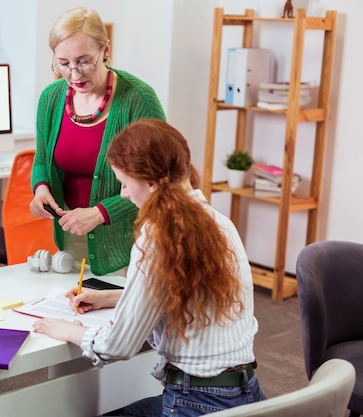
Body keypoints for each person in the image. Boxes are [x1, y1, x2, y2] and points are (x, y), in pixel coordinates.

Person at [32, 118, 266, 416]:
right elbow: (191, 291)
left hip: (197, 402)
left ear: (152, 183)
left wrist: (66, 329)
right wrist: (115, 298)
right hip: (246, 395)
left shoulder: (157, 236)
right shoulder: (219, 222)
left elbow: (116, 346)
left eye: (125, 184)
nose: (125, 194)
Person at [29, 7, 166, 275]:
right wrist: (41, 188)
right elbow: (42, 160)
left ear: (105, 50)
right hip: (71, 234)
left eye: (84, 61)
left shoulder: (139, 100)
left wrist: (101, 213)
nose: (75, 74)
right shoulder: (51, 98)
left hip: (127, 240)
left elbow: (161, 181)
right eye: (64, 63)